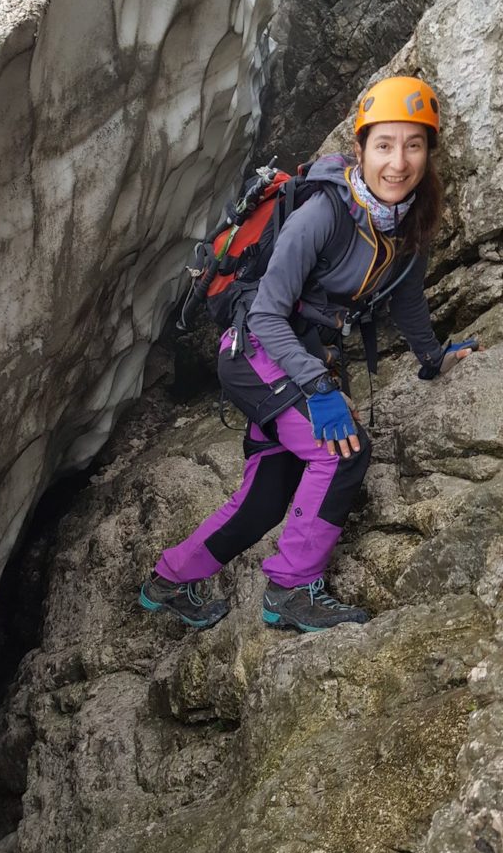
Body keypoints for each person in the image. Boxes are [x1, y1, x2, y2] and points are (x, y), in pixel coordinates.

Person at [139, 75, 477, 633]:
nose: (398, 162)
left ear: (428, 153)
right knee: (342, 451)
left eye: (413, 145)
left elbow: (409, 299)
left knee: (268, 496)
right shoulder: (322, 214)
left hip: (292, 358)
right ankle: (292, 590)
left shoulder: (407, 223)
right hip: (255, 351)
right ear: (362, 147)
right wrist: (320, 390)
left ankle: (169, 581)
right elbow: (269, 313)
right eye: (385, 145)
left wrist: (433, 358)